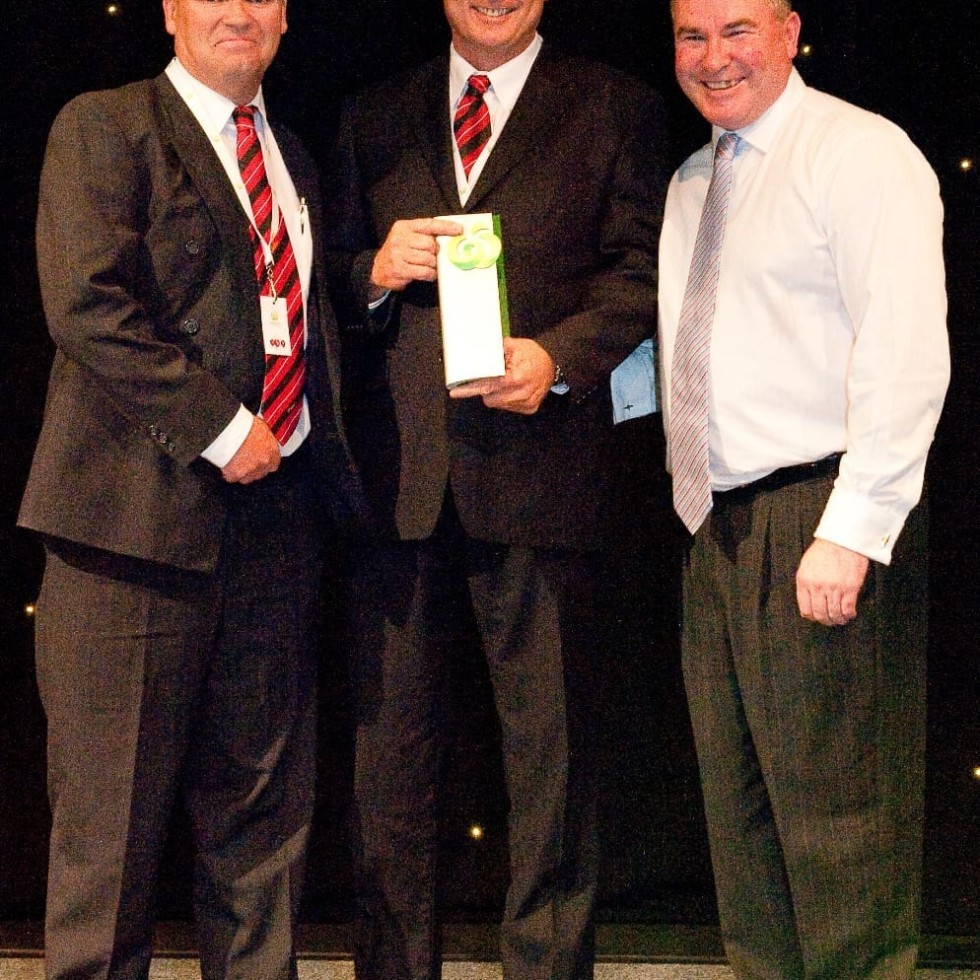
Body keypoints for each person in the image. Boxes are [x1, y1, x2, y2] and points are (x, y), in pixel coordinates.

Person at [323, 1, 671, 976]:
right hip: (398, 492)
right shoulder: (370, 114)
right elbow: (315, 275)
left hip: (545, 482)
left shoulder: (614, 107)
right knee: (387, 772)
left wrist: (556, 358)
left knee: (552, 769)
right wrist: (371, 271)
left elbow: (645, 272)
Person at [18, 1, 363, 977]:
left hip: (274, 533)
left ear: (288, 17)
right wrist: (220, 429)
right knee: (109, 840)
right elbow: (86, 299)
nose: (237, 11)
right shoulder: (104, 124)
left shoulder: (290, 152)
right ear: (171, 11)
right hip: (129, 535)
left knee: (263, 838)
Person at [658, 0, 949, 976]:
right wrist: (554, 374)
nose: (712, 56)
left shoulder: (858, 153)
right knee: (745, 843)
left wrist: (853, 528)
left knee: (840, 839)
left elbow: (903, 351)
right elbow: (704, 350)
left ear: (787, 31)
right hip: (716, 529)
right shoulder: (694, 181)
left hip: (816, 517)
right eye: (690, 36)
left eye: (735, 29)